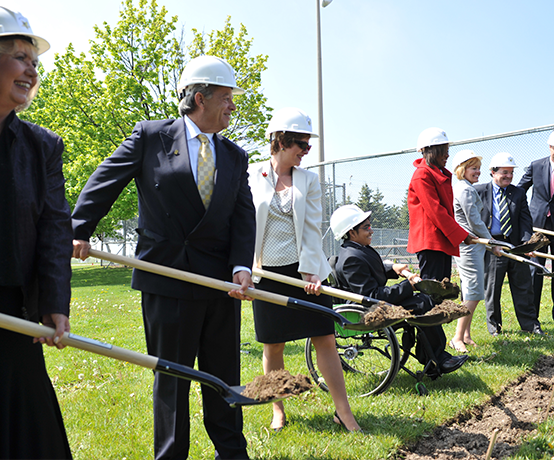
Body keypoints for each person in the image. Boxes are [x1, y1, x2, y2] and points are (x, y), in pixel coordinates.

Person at [72, 55, 256, 459]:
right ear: (199, 97)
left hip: (220, 285)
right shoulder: (150, 136)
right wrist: (78, 229)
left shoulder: (235, 155)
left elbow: (244, 214)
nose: (232, 107)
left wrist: (242, 267)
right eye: (226, 98)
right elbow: (105, 181)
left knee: (223, 377)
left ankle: (233, 453)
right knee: (172, 379)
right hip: (166, 278)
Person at [248, 107, 361, 433]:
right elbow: (243, 223)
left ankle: (344, 412)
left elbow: (313, 229)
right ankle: (278, 410)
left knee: (325, 337)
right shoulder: (252, 175)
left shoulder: (309, 181)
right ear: (280, 140)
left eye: (308, 145)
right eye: (301, 144)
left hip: (303, 273)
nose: (306, 151)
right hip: (266, 274)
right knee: (274, 345)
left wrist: (311, 272)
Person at [0, 7, 73, 459]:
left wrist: (53, 303)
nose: (32, 69)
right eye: (21, 57)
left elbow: (53, 229)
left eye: (34, 62)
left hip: (13, 313)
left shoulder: (42, 146)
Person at [330, 205, 468, 378]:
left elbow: (373, 271)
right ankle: (436, 359)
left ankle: (432, 358)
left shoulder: (356, 250)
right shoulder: (352, 258)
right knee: (423, 304)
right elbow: (372, 296)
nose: (371, 231)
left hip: (373, 303)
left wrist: (393, 268)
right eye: (366, 227)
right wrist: (407, 286)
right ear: (352, 232)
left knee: (424, 301)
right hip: (367, 310)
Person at [474, 152, 543, 336]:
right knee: (493, 289)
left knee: (524, 287)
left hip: (515, 246)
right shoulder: (479, 191)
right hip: (493, 245)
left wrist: (527, 244)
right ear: (493, 172)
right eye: (505, 172)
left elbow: (525, 219)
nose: (509, 176)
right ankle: (495, 328)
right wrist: (488, 243)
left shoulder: (518, 193)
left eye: (511, 173)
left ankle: (531, 326)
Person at [407, 127, 477, 281]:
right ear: (428, 150)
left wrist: (461, 234)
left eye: (447, 149)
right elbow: (436, 211)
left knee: (442, 289)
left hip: (441, 240)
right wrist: (462, 235)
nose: (447, 154)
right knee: (433, 290)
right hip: (431, 243)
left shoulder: (436, 173)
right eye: (442, 150)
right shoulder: (422, 175)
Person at [451, 150, 502, 353]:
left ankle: (466, 334)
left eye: (479, 168)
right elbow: (474, 220)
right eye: (474, 168)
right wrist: (492, 242)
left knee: (470, 292)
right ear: (462, 169)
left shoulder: (465, 187)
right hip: (470, 246)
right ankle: (456, 337)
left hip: (474, 245)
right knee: (474, 292)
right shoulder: (465, 190)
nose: (478, 172)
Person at [517, 131, 554, 322]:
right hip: (537, 225)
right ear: (550, 147)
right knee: (534, 269)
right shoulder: (536, 165)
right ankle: (532, 317)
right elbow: (519, 190)